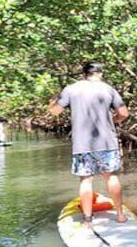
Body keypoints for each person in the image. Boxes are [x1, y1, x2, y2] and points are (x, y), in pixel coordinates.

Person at [49, 62, 129, 228]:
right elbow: (123, 114)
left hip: (82, 143)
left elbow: (55, 111)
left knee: (86, 181)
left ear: (84, 74)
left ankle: (87, 220)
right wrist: (112, 122)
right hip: (107, 141)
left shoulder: (71, 89)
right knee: (111, 176)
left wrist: (51, 103)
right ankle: (120, 215)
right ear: (101, 73)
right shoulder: (109, 89)